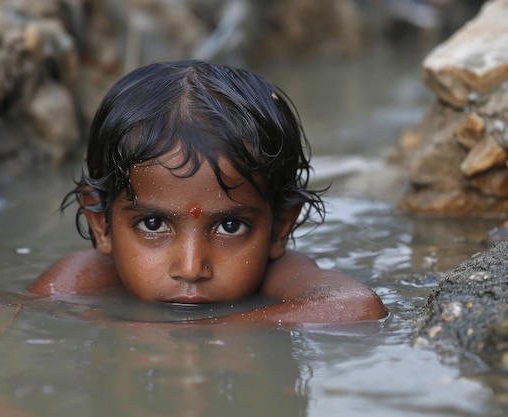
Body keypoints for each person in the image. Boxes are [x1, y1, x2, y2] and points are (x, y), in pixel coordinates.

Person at [28, 60, 388, 325]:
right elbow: (19, 321)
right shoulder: (87, 277)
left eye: (231, 227)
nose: (191, 268)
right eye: (153, 223)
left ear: (281, 227)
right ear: (100, 224)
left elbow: (357, 306)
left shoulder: (279, 275)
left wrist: (207, 330)